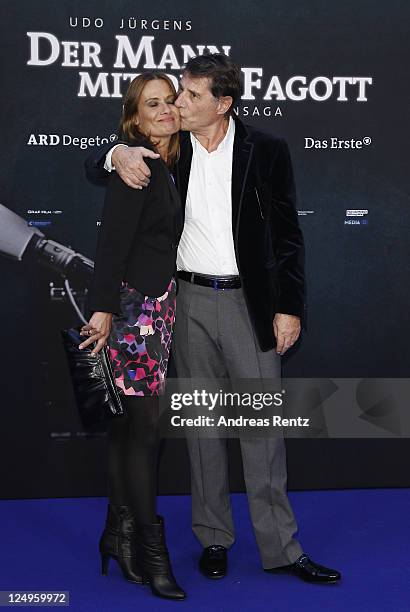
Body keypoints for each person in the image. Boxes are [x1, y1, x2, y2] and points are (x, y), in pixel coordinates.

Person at [86, 54, 341, 584]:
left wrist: (289, 306)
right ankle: (214, 539)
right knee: (203, 429)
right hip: (186, 301)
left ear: (222, 104)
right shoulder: (167, 146)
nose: (178, 103)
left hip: (251, 304)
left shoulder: (265, 150)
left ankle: (281, 548)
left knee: (260, 430)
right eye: (178, 93)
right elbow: (94, 162)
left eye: (191, 95)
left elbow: (288, 236)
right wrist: (114, 151)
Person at [79, 72, 186, 600]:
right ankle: (151, 550)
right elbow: (114, 244)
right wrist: (101, 310)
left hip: (159, 311)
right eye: (153, 104)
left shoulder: (175, 160)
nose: (165, 110)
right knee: (145, 433)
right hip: (133, 314)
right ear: (135, 117)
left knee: (128, 432)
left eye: (171, 101)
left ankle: (116, 536)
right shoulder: (136, 164)